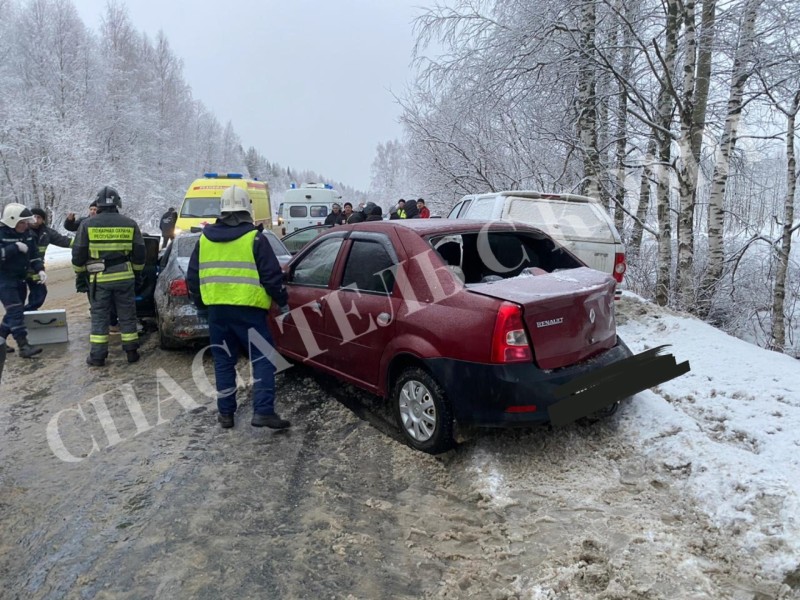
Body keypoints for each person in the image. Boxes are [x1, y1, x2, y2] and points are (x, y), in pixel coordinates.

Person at [186, 186, 291, 430]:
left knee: (223, 361)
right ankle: (263, 412)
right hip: (250, 311)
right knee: (263, 358)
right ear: (247, 210)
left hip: (217, 312)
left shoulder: (204, 239)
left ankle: (226, 415)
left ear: (221, 210)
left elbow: (193, 278)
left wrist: (202, 305)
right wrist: (282, 300)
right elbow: (271, 276)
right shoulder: (255, 238)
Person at [72, 186, 145, 367]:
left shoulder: (87, 224)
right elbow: (140, 253)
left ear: (98, 204)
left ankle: (97, 357)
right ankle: (131, 352)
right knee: (127, 315)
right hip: (125, 277)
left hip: (99, 279)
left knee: (99, 317)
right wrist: (137, 273)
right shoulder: (130, 223)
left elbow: (78, 254)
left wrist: (80, 276)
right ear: (118, 203)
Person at [0, 203, 45, 380]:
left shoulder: (27, 234)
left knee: (13, 312)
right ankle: (23, 346)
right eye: (22, 222)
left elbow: (34, 254)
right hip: (4, 279)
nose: (26, 225)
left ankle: (1, 337)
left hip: (20, 279)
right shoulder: (1, 234)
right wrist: (14, 248)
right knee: (16, 310)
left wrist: (40, 269)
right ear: (12, 222)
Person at [23, 208, 73, 312]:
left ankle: (28, 313)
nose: (36, 219)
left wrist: (81, 243)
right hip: (20, 270)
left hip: (37, 270)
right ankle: (17, 317)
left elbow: (63, 240)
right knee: (17, 298)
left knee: (40, 294)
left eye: (39, 217)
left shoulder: (47, 233)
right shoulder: (21, 229)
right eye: (34, 216)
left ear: (43, 220)